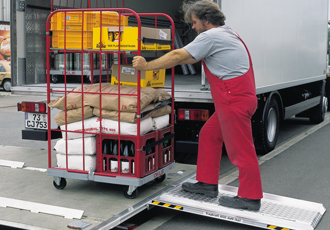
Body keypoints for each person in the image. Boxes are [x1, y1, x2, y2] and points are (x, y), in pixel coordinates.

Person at [132, 0, 263, 211]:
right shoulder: (229, 33)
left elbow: (178, 56)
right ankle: (206, 184)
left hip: (232, 100)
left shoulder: (211, 36)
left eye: (194, 22)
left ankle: (250, 197)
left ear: (206, 20)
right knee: (209, 135)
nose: (192, 27)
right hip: (236, 98)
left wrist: (147, 66)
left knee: (241, 150)